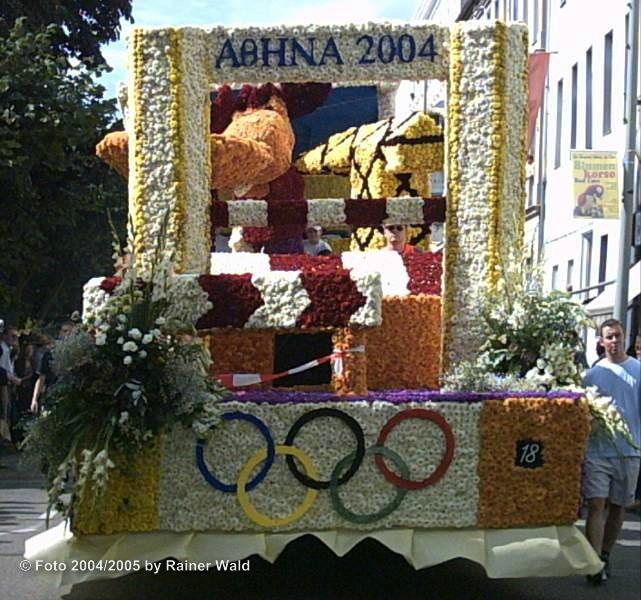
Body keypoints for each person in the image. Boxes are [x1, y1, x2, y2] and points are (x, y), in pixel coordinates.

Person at [582, 319, 641, 585]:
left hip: (629, 451)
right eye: (609, 337)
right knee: (596, 504)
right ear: (601, 341)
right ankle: (593, 562)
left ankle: (605, 555)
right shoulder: (593, 374)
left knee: (618, 507)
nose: (614, 341)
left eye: (617, 336)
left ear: (624, 337)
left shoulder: (637, 370)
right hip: (598, 450)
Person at [30, 322, 76, 414]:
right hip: (53, 394)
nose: (67, 335)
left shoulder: (78, 353)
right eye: (65, 331)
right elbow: (41, 378)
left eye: (70, 332)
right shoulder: (50, 353)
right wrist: (34, 399)